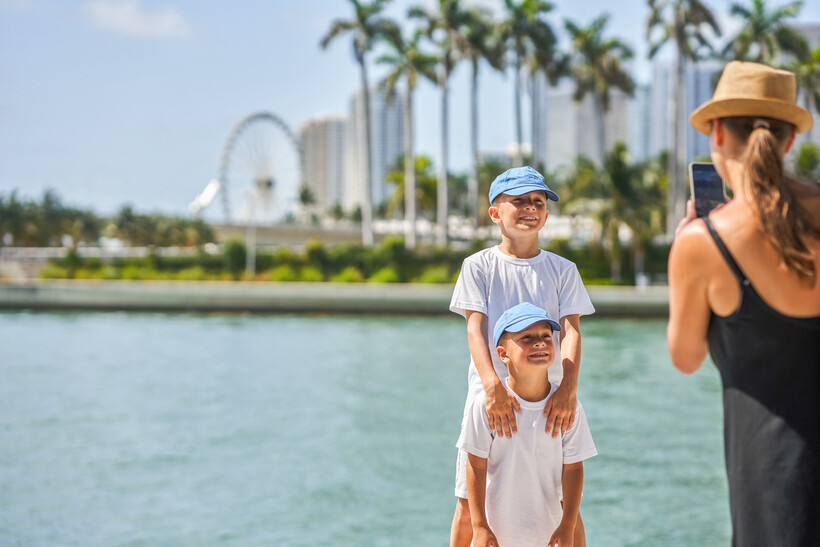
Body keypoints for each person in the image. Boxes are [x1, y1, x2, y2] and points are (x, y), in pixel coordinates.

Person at [667, 60, 820, 544]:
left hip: (774, 488)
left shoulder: (704, 242)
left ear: (716, 133)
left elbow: (685, 358)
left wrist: (686, 245)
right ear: (789, 140)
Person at [449, 166, 596, 546]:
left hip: (551, 399)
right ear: (496, 213)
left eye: (538, 201)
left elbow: (573, 330)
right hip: (490, 397)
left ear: (546, 214)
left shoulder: (563, 269)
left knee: (565, 502)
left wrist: (569, 388)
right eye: (519, 201)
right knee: (469, 503)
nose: (530, 208)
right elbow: (474, 329)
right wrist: (492, 386)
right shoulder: (478, 266)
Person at [458, 302, 597, 547]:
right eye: (527, 337)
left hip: (549, 536)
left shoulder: (567, 409)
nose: (540, 342)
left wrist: (568, 525)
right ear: (503, 354)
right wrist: (480, 527)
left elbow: (574, 469)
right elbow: (475, 465)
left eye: (546, 336)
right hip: (497, 538)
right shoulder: (484, 406)